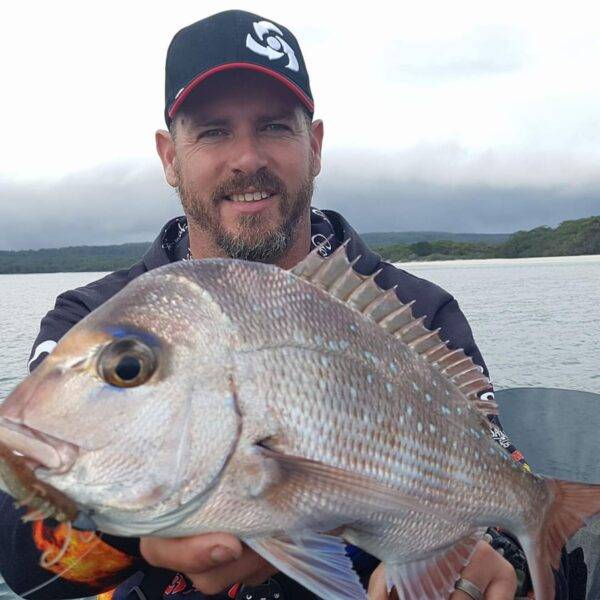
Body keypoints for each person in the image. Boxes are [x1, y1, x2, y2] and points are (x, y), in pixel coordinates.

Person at [0, 9, 565, 600]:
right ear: (169, 155)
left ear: (314, 145)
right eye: (213, 131)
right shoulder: (97, 317)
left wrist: (496, 560)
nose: (247, 158)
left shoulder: (416, 312)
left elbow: (494, 463)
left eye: (274, 126)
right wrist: (131, 537)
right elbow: (19, 554)